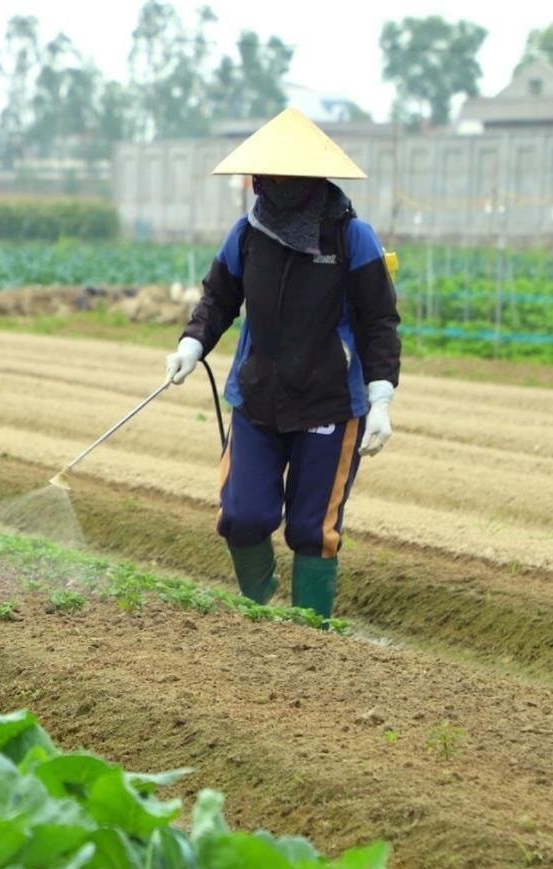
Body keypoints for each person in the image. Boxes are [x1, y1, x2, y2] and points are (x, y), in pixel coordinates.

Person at [164, 108, 401, 619]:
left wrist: (381, 398)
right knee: (243, 516)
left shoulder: (351, 238)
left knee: (312, 532)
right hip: (258, 399)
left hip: (330, 404)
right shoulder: (246, 235)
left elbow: (379, 322)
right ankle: (261, 612)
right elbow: (218, 299)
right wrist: (191, 344)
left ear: (310, 178)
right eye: (263, 175)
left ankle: (309, 642)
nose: (267, 184)